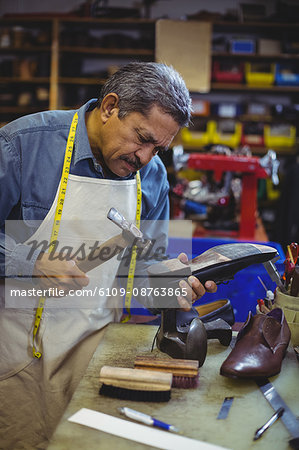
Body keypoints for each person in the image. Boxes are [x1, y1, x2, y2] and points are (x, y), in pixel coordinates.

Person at [0, 62, 217, 449]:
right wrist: (27, 262)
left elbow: (144, 274)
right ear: (110, 106)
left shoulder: (152, 178)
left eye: (159, 148)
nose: (146, 158)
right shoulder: (24, 145)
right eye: (142, 138)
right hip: (16, 354)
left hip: (97, 351)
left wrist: (172, 287)